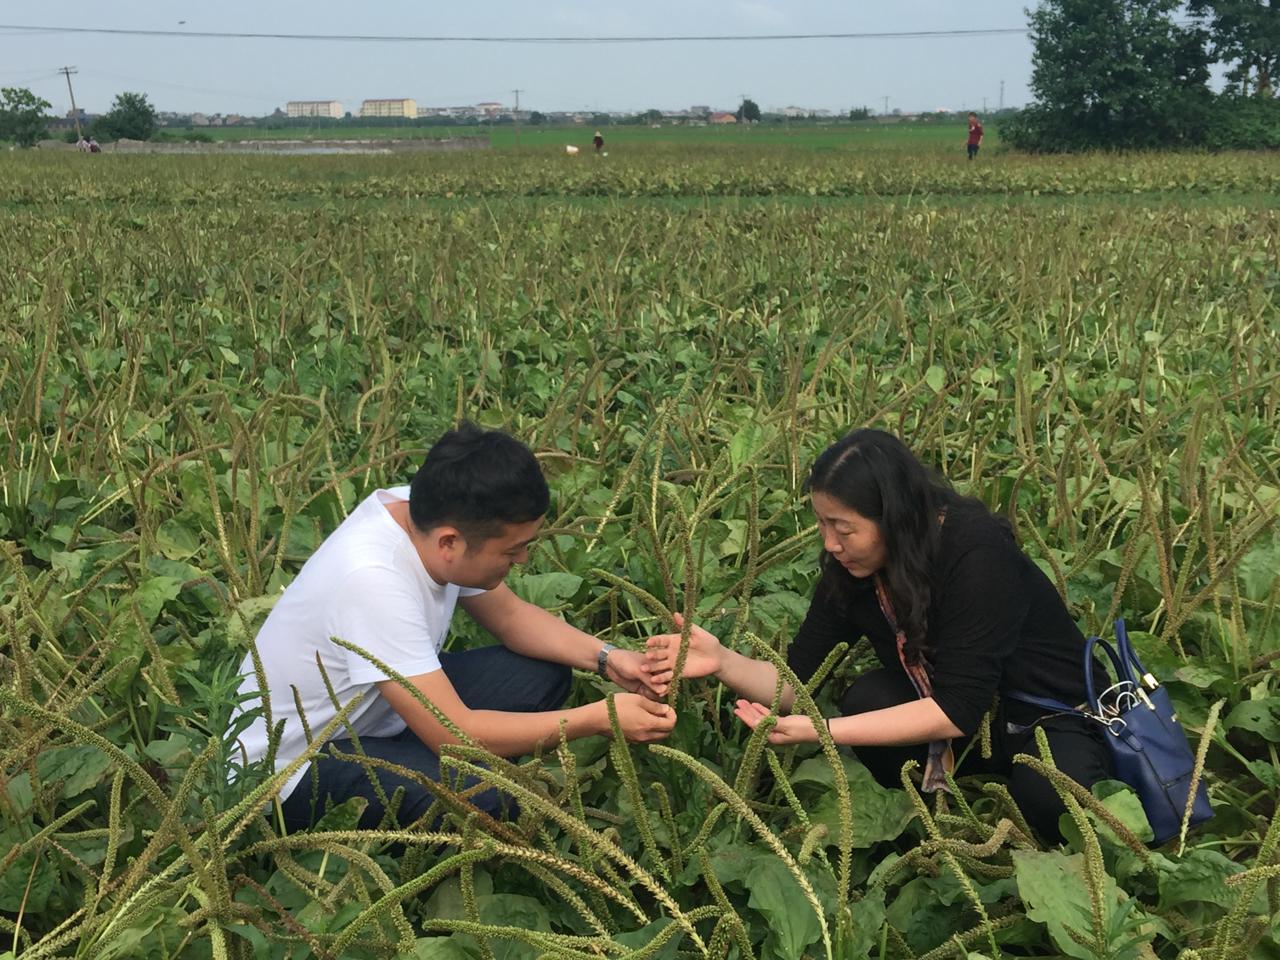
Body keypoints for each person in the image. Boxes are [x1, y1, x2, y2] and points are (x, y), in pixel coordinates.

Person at [644, 429, 1112, 842]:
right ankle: (939, 813)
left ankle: (1013, 803)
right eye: (823, 524)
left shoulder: (977, 557)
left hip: (1047, 715)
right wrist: (724, 661)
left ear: (895, 519)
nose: (829, 543)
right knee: (867, 699)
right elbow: (795, 681)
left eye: (844, 528)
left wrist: (822, 734)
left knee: (1055, 800)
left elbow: (956, 708)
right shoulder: (852, 568)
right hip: (973, 723)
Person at [233, 423, 676, 831]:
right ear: (450, 542)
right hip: (293, 765)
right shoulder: (372, 579)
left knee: (544, 673)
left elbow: (511, 617)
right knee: (489, 804)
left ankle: (431, 762)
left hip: (378, 714)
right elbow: (454, 733)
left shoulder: (424, 514)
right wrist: (601, 718)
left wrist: (610, 660)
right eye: (513, 550)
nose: (522, 560)